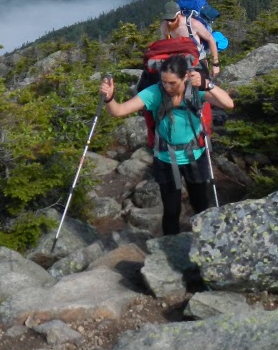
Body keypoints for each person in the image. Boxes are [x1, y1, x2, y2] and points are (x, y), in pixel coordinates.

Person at [100, 55, 233, 235]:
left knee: (201, 204)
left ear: (185, 77)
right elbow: (119, 111)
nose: (167, 87)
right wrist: (110, 98)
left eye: (172, 83)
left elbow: (228, 104)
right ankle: (172, 247)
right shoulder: (155, 92)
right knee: (171, 211)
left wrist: (206, 83)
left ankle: (205, 243)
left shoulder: (196, 89)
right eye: (164, 82)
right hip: (166, 158)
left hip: (195, 155)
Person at [158, 0, 220, 77]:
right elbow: (164, 45)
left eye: (172, 19)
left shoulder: (193, 24)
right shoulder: (165, 26)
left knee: (201, 86)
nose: (169, 23)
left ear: (179, 14)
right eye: (167, 19)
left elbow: (210, 39)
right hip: (178, 63)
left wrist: (215, 64)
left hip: (198, 62)